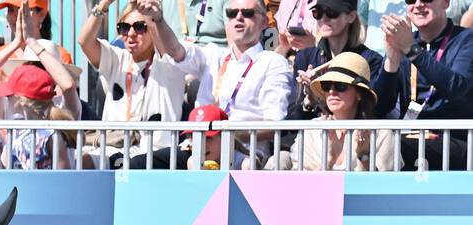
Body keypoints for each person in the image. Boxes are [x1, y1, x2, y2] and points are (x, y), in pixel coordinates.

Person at [180, 0, 296, 166]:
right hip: (200, 147)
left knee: (246, 166)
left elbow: (273, 125)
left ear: (264, 22)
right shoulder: (215, 56)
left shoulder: (273, 62)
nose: (239, 18)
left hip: (245, 152)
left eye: (247, 13)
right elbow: (177, 52)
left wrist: (229, 134)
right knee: (149, 162)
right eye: (232, 14)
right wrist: (156, 21)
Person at [80, 0, 191, 167]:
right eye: (124, 27)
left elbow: (169, 47)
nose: (131, 33)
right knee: (75, 161)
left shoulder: (168, 63)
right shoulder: (118, 58)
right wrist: (102, 6)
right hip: (114, 146)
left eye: (140, 27)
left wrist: (153, 17)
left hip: (156, 152)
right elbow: (84, 42)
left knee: (127, 163)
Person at [0, 4, 79, 169]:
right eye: (28, 65)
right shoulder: (12, 105)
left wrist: (32, 42)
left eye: (41, 65)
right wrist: (16, 42)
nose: (33, 71)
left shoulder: (64, 105)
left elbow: (67, 86)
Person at [376, 0, 473, 170]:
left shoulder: (466, 40)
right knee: (368, 142)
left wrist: (412, 50)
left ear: (445, 3)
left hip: (456, 139)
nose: (418, 4)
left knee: (389, 145)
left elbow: (456, 88)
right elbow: (380, 107)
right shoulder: (405, 43)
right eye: (411, 0)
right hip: (410, 137)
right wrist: (391, 62)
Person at [266, 51, 399, 168]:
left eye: (340, 86)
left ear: (359, 93)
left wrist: (364, 156)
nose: (331, 91)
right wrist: (328, 162)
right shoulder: (312, 130)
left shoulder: (381, 133)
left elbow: (381, 188)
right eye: (326, 85)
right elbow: (302, 184)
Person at [286, 0, 390, 120]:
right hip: (315, 137)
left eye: (331, 12)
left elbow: (375, 110)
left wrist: (321, 96)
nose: (323, 18)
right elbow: (293, 121)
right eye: (317, 12)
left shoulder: (369, 59)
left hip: (355, 135)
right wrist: (309, 99)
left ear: (351, 16)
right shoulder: (305, 57)